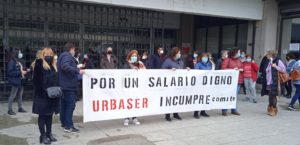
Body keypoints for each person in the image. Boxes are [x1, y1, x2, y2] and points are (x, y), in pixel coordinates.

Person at [32, 47, 60, 144]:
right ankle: (43, 136)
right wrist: (44, 93)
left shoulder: (53, 66)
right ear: (43, 55)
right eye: (46, 54)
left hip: (52, 96)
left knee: (49, 116)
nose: (49, 56)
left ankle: (49, 134)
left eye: (50, 54)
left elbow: (55, 80)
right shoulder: (39, 65)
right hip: (43, 96)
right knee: (43, 116)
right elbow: (36, 82)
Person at [57, 42, 84, 133]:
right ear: (71, 49)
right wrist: (77, 70)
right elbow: (65, 67)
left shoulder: (62, 56)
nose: (74, 51)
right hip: (68, 86)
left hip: (65, 85)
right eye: (74, 49)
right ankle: (69, 126)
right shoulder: (67, 56)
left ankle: (64, 123)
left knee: (64, 105)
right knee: (70, 105)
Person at [162, 47, 189, 121]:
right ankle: (167, 115)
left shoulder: (181, 62)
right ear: (174, 53)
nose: (180, 54)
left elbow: (181, 71)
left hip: (178, 85)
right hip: (170, 84)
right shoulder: (168, 61)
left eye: (180, 53)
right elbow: (162, 71)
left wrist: (186, 70)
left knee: (176, 99)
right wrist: (169, 71)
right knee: (169, 99)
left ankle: (175, 113)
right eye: (179, 53)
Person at [123, 50, 145, 126]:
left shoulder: (140, 64)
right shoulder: (127, 64)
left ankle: (134, 117)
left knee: (135, 102)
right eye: (133, 56)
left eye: (135, 56)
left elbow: (145, 72)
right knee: (128, 102)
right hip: (129, 87)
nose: (134, 57)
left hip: (137, 87)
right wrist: (131, 70)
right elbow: (123, 74)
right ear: (130, 56)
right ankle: (126, 118)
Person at [221, 48, 243, 116]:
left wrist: (242, 69)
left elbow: (242, 67)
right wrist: (232, 69)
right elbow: (223, 68)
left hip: (238, 80)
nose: (240, 54)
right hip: (229, 81)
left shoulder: (239, 60)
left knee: (234, 96)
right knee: (228, 95)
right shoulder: (227, 60)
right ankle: (224, 110)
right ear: (234, 53)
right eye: (238, 52)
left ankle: (234, 109)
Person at [264, 50, 286, 116]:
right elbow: (267, 70)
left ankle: (274, 110)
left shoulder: (278, 61)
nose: (266, 55)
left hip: (275, 81)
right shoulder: (270, 61)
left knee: (273, 96)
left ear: (271, 55)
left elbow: (284, 69)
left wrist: (275, 66)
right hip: (269, 82)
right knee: (270, 96)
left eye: (267, 54)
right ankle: (270, 108)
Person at [6, 48, 28, 115]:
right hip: (15, 81)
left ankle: (20, 108)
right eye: (19, 52)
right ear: (15, 54)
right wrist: (20, 72)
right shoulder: (12, 62)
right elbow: (10, 72)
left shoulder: (18, 61)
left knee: (20, 95)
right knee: (12, 96)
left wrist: (25, 70)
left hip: (20, 81)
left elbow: (21, 69)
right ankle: (9, 110)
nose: (20, 54)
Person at [193, 53, 211, 119]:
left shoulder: (209, 64)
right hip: (199, 84)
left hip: (206, 84)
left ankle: (203, 111)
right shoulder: (198, 64)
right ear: (201, 58)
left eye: (206, 57)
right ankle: (196, 113)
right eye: (204, 57)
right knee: (199, 98)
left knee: (205, 98)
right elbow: (196, 73)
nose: (205, 58)